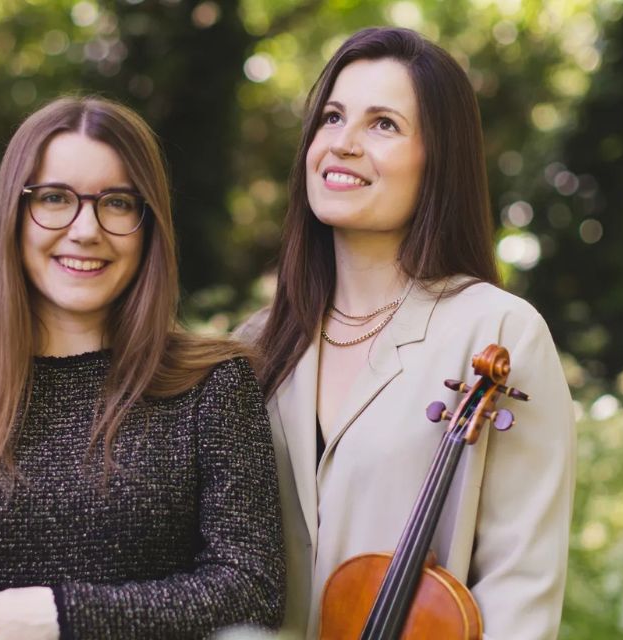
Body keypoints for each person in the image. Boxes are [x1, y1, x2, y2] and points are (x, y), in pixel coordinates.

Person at [0, 97, 285, 640]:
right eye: (55, 198)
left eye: (118, 203)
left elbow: (251, 587)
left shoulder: (213, 383)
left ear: (149, 223)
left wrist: (64, 617)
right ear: (13, 211)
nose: (86, 229)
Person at [237, 27, 575, 639]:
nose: (343, 144)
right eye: (333, 117)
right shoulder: (256, 344)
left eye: (383, 124)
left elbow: (519, 590)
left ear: (437, 160)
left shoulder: (498, 331)